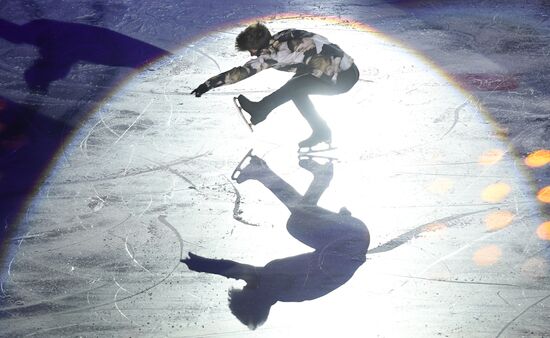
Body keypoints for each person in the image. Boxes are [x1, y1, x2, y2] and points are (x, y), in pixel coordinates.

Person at [191, 22, 359, 149]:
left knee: (294, 87)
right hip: (348, 69)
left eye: (253, 50)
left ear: (261, 45)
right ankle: (321, 130)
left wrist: (209, 84)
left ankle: (260, 110)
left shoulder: (277, 53)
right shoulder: (284, 35)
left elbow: (244, 71)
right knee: (296, 89)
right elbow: (318, 41)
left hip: (341, 78)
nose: (251, 54)